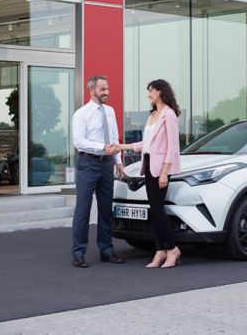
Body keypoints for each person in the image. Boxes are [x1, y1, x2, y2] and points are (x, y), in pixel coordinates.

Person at [116, 79, 182, 268]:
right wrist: (121, 146)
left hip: (160, 169)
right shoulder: (152, 115)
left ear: (160, 91)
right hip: (149, 168)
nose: (148, 95)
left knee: (158, 210)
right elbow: (145, 145)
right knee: (154, 210)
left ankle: (172, 249)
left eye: (151, 91)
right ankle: (160, 250)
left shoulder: (168, 114)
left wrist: (164, 172)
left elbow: (173, 147)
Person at [70, 75, 125, 268]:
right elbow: (79, 142)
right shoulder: (81, 114)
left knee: (106, 210)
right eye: (103, 89)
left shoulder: (110, 111)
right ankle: (78, 253)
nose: (107, 92)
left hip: (107, 164)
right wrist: (103, 147)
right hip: (88, 163)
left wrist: (118, 161)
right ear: (92, 90)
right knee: (83, 210)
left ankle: (107, 250)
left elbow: (114, 138)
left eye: (107, 89)